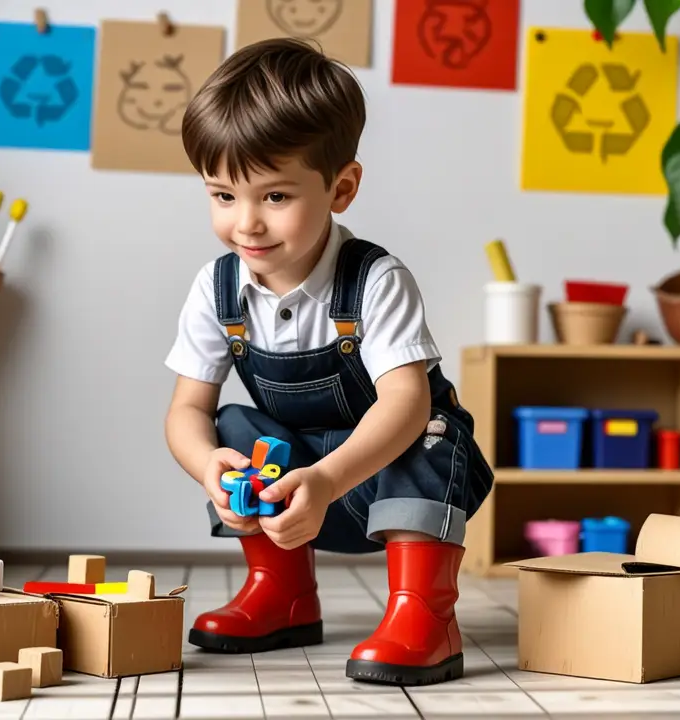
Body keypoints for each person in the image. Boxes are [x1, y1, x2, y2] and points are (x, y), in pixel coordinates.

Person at [162, 37, 494, 687]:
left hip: (393, 482)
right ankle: (281, 592)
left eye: (275, 197)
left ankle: (422, 613)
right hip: (298, 492)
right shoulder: (219, 289)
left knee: (428, 435)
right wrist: (209, 468)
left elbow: (405, 403)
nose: (247, 224)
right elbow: (185, 411)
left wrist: (327, 480)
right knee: (231, 426)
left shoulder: (374, 280)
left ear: (341, 188)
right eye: (223, 196)